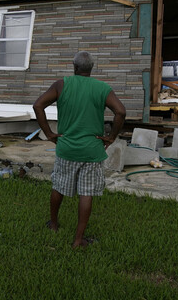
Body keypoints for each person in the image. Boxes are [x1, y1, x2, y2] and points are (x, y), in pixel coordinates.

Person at [33, 51, 126, 248]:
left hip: (67, 148)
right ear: (91, 69)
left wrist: (50, 134)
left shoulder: (61, 84)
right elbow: (121, 111)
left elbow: (38, 105)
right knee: (86, 193)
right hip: (91, 151)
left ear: (74, 67)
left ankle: (54, 224)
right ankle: (78, 240)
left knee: (58, 186)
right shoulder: (102, 88)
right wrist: (111, 137)